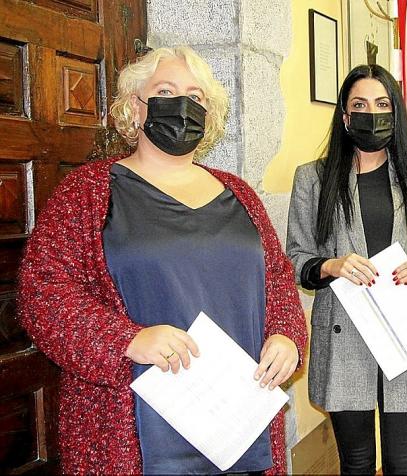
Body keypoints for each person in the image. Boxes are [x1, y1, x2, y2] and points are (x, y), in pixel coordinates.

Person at [18, 46, 307, 475]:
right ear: (135, 107)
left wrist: (286, 337)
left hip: (239, 422)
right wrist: (126, 340)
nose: (183, 105)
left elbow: (277, 279)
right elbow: (42, 294)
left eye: (196, 96)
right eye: (166, 90)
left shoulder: (239, 194)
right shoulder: (89, 192)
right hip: (133, 429)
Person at [286, 64, 407, 475]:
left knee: (402, 463)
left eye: (381, 104)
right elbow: (296, 259)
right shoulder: (313, 179)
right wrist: (332, 265)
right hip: (344, 333)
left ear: (395, 114)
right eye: (359, 104)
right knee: (355, 462)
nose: (370, 113)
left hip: (405, 332)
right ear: (344, 115)